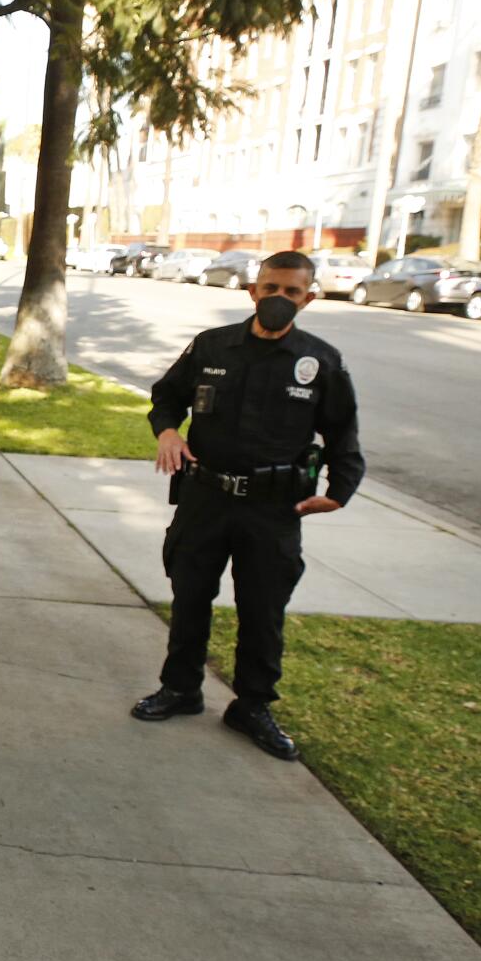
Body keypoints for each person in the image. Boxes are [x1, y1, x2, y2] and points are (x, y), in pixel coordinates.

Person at [132, 249, 365, 760]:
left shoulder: (319, 361)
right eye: (271, 288)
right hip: (204, 498)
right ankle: (180, 689)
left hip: (272, 510)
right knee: (190, 596)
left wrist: (341, 490)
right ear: (252, 290)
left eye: (292, 292)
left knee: (263, 611)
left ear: (309, 298)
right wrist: (168, 431)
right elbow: (166, 395)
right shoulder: (212, 346)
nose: (279, 299)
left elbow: (343, 430)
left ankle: (252, 706)